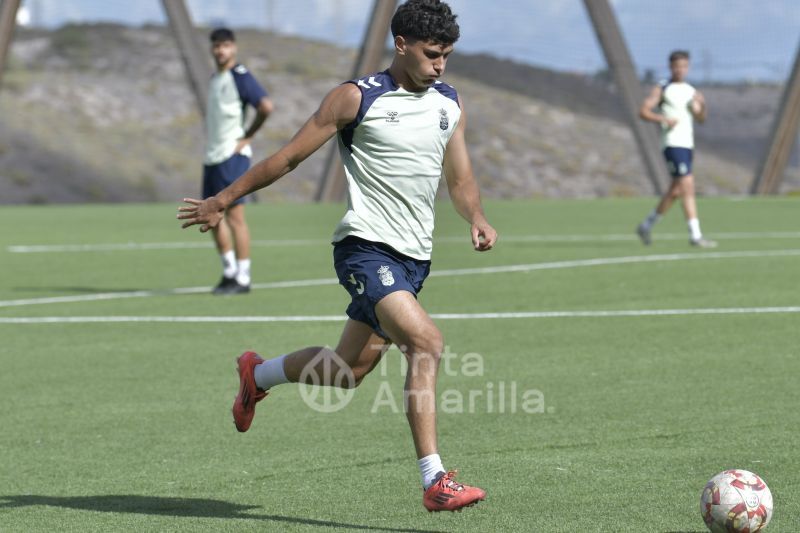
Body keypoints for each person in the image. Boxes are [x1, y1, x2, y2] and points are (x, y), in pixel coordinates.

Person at [178, 0, 495, 513]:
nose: (440, 65)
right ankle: (435, 480)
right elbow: (288, 156)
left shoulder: (450, 103)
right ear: (401, 45)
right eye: (432, 54)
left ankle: (256, 375)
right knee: (427, 344)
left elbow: (459, 180)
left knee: (345, 372)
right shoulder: (356, 99)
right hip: (365, 250)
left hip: (414, 261)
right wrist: (223, 198)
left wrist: (476, 217)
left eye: (447, 56)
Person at [203, 28, 274, 294]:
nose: (220, 50)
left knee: (234, 217)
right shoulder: (214, 78)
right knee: (210, 215)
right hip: (212, 156)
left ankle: (243, 278)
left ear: (233, 48)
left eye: (225, 45)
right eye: (216, 46)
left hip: (232, 156)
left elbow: (265, 106)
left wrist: (248, 135)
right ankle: (229, 272)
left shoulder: (240, 76)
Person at [636, 50, 716, 248]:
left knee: (675, 191)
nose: (680, 70)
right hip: (672, 143)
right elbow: (643, 111)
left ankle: (646, 225)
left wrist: (702, 106)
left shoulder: (691, 91)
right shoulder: (663, 88)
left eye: (684, 66)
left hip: (687, 144)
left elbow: (700, 119)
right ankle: (695, 235)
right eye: (677, 66)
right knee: (688, 185)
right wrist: (662, 119)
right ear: (671, 67)